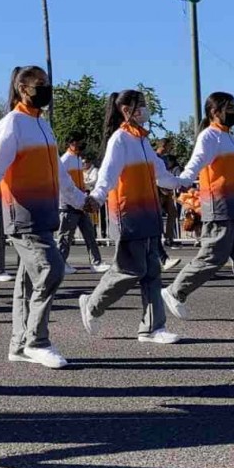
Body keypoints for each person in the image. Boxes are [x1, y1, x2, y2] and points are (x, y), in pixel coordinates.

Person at [0, 66, 86, 368]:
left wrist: (80, 200)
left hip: (45, 215)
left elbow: (60, 173)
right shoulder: (12, 123)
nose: (46, 89)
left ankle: (19, 345)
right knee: (51, 270)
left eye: (47, 83)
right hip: (21, 214)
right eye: (41, 84)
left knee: (28, 282)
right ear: (23, 89)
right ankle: (37, 341)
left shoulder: (43, 126)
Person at [78, 90, 184, 344]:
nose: (145, 110)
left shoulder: (143, 141)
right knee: (130, 270)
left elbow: (161, 175)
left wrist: (184, 182)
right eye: (141, 106)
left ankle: (152, 328)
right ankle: (92, 304)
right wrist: (96, 198)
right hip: (127, 214)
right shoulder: (120, 140)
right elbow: (107, 175)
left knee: (152, 272)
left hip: (148, 214)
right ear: (126, 110)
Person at [162, 92, 234, 324]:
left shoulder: (231, 139)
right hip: (219, 205)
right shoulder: (209, 136)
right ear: (215, 112)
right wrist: (181, 181)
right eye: (229, 107)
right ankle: (175, 291)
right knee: (213, 257)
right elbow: (196, 162)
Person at [58, 134, 109, 274]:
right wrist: (73, 200)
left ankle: (96, 262)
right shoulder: (65, 160)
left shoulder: (77, 159)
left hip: (80, 203)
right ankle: (60, 263)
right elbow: (62, 184)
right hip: (69, 204)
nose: (82, 144)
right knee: (66, 236)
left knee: (89, 234)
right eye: (80, 142)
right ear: (72, 143)